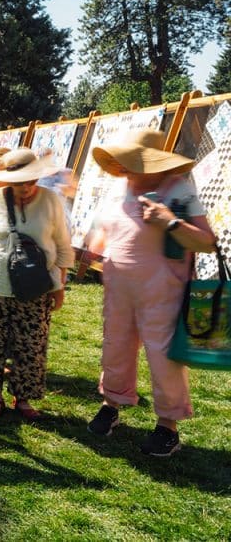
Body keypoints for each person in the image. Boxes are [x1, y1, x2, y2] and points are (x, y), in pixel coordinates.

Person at [85, 129, 215, 456]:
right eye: (127, 163)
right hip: (119, 288)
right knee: (115, 345)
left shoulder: (180, 190)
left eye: (135, 164)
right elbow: (105, 227)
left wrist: (170, 222)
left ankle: (167, 427)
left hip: (163, 290)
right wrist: (90, 249)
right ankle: (111, 404)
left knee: (163, 355)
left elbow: (207, 241)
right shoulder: (118, 188)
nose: (128, 170)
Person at [0, 148, 74, 420]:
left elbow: (62, 244)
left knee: (31, 343)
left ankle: (22, 397)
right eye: (19, 182)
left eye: (31, 180)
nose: (26, 187)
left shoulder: (51, 201)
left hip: (36, 287)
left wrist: (60, 284)